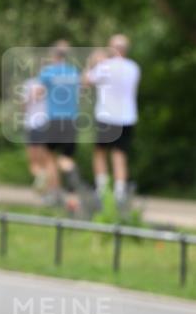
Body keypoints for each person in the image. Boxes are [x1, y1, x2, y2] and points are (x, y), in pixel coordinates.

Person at [84, 34, 141, 209]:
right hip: (127, 117)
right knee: (120, 154)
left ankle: (101, 188)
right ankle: (119, 190)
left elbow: (86, 81)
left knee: (100, 153)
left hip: (107, 116)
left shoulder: (104, 66)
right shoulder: (134, 67)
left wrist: (92, 63)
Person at [38, 40, 82, 206]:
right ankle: (71, 180)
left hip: (54, 119)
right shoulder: (73, 73)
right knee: (66, 157)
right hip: (71, 120)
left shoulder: (48, 73)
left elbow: (38, 92)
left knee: (49, 157)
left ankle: (54, 193)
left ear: (53, 55)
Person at [21, 76, 50, 193]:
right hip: (47, 124)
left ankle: (41, 178)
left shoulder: (29, 83)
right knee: (47, 160)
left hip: (33, 124)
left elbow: (23, 106)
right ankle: (45, 185)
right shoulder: (52, 83)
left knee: (34, 162)